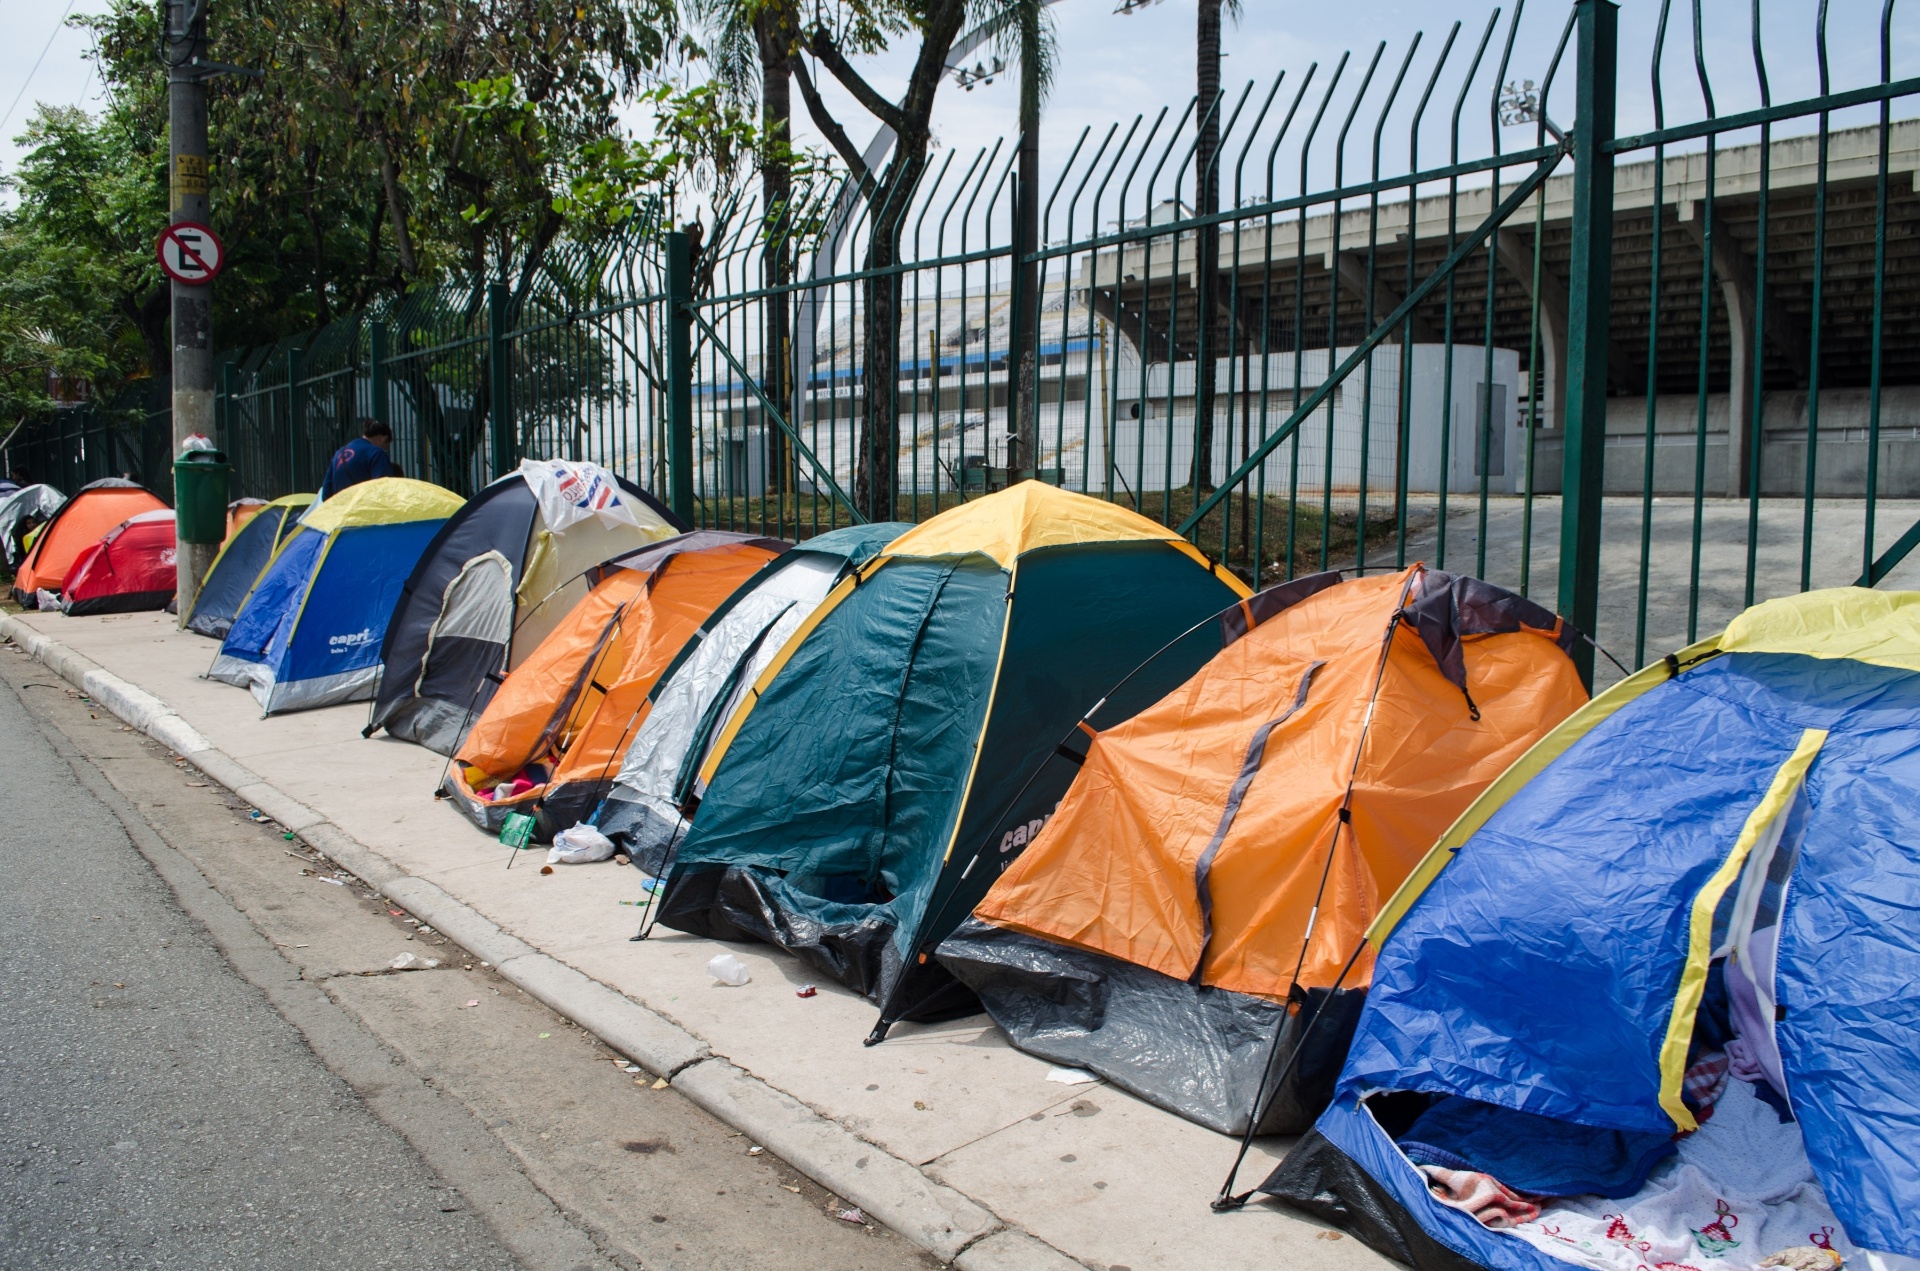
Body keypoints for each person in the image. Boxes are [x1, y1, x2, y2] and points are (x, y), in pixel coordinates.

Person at [319, 418, 400, 499]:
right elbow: (383, 488)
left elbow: (326, 493)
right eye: (386, 446)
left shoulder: (339, 453)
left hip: (340, 508)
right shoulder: (377, 453)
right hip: (364, 508)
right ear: (384, 439)